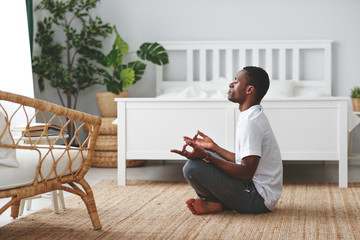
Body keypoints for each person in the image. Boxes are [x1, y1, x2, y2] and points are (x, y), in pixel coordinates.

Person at [170, 66, 283, 215]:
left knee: (193, 167)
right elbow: (241, 161)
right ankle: (217, 204)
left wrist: (206, 156)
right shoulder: (251, 115)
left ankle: (215, 202)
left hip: (258, 199)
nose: (230, 84)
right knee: (207, 154)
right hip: (256, 192)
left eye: (236, 81)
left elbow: (246, 173)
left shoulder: (251, 123)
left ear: (249, 90)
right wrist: (213, 148)